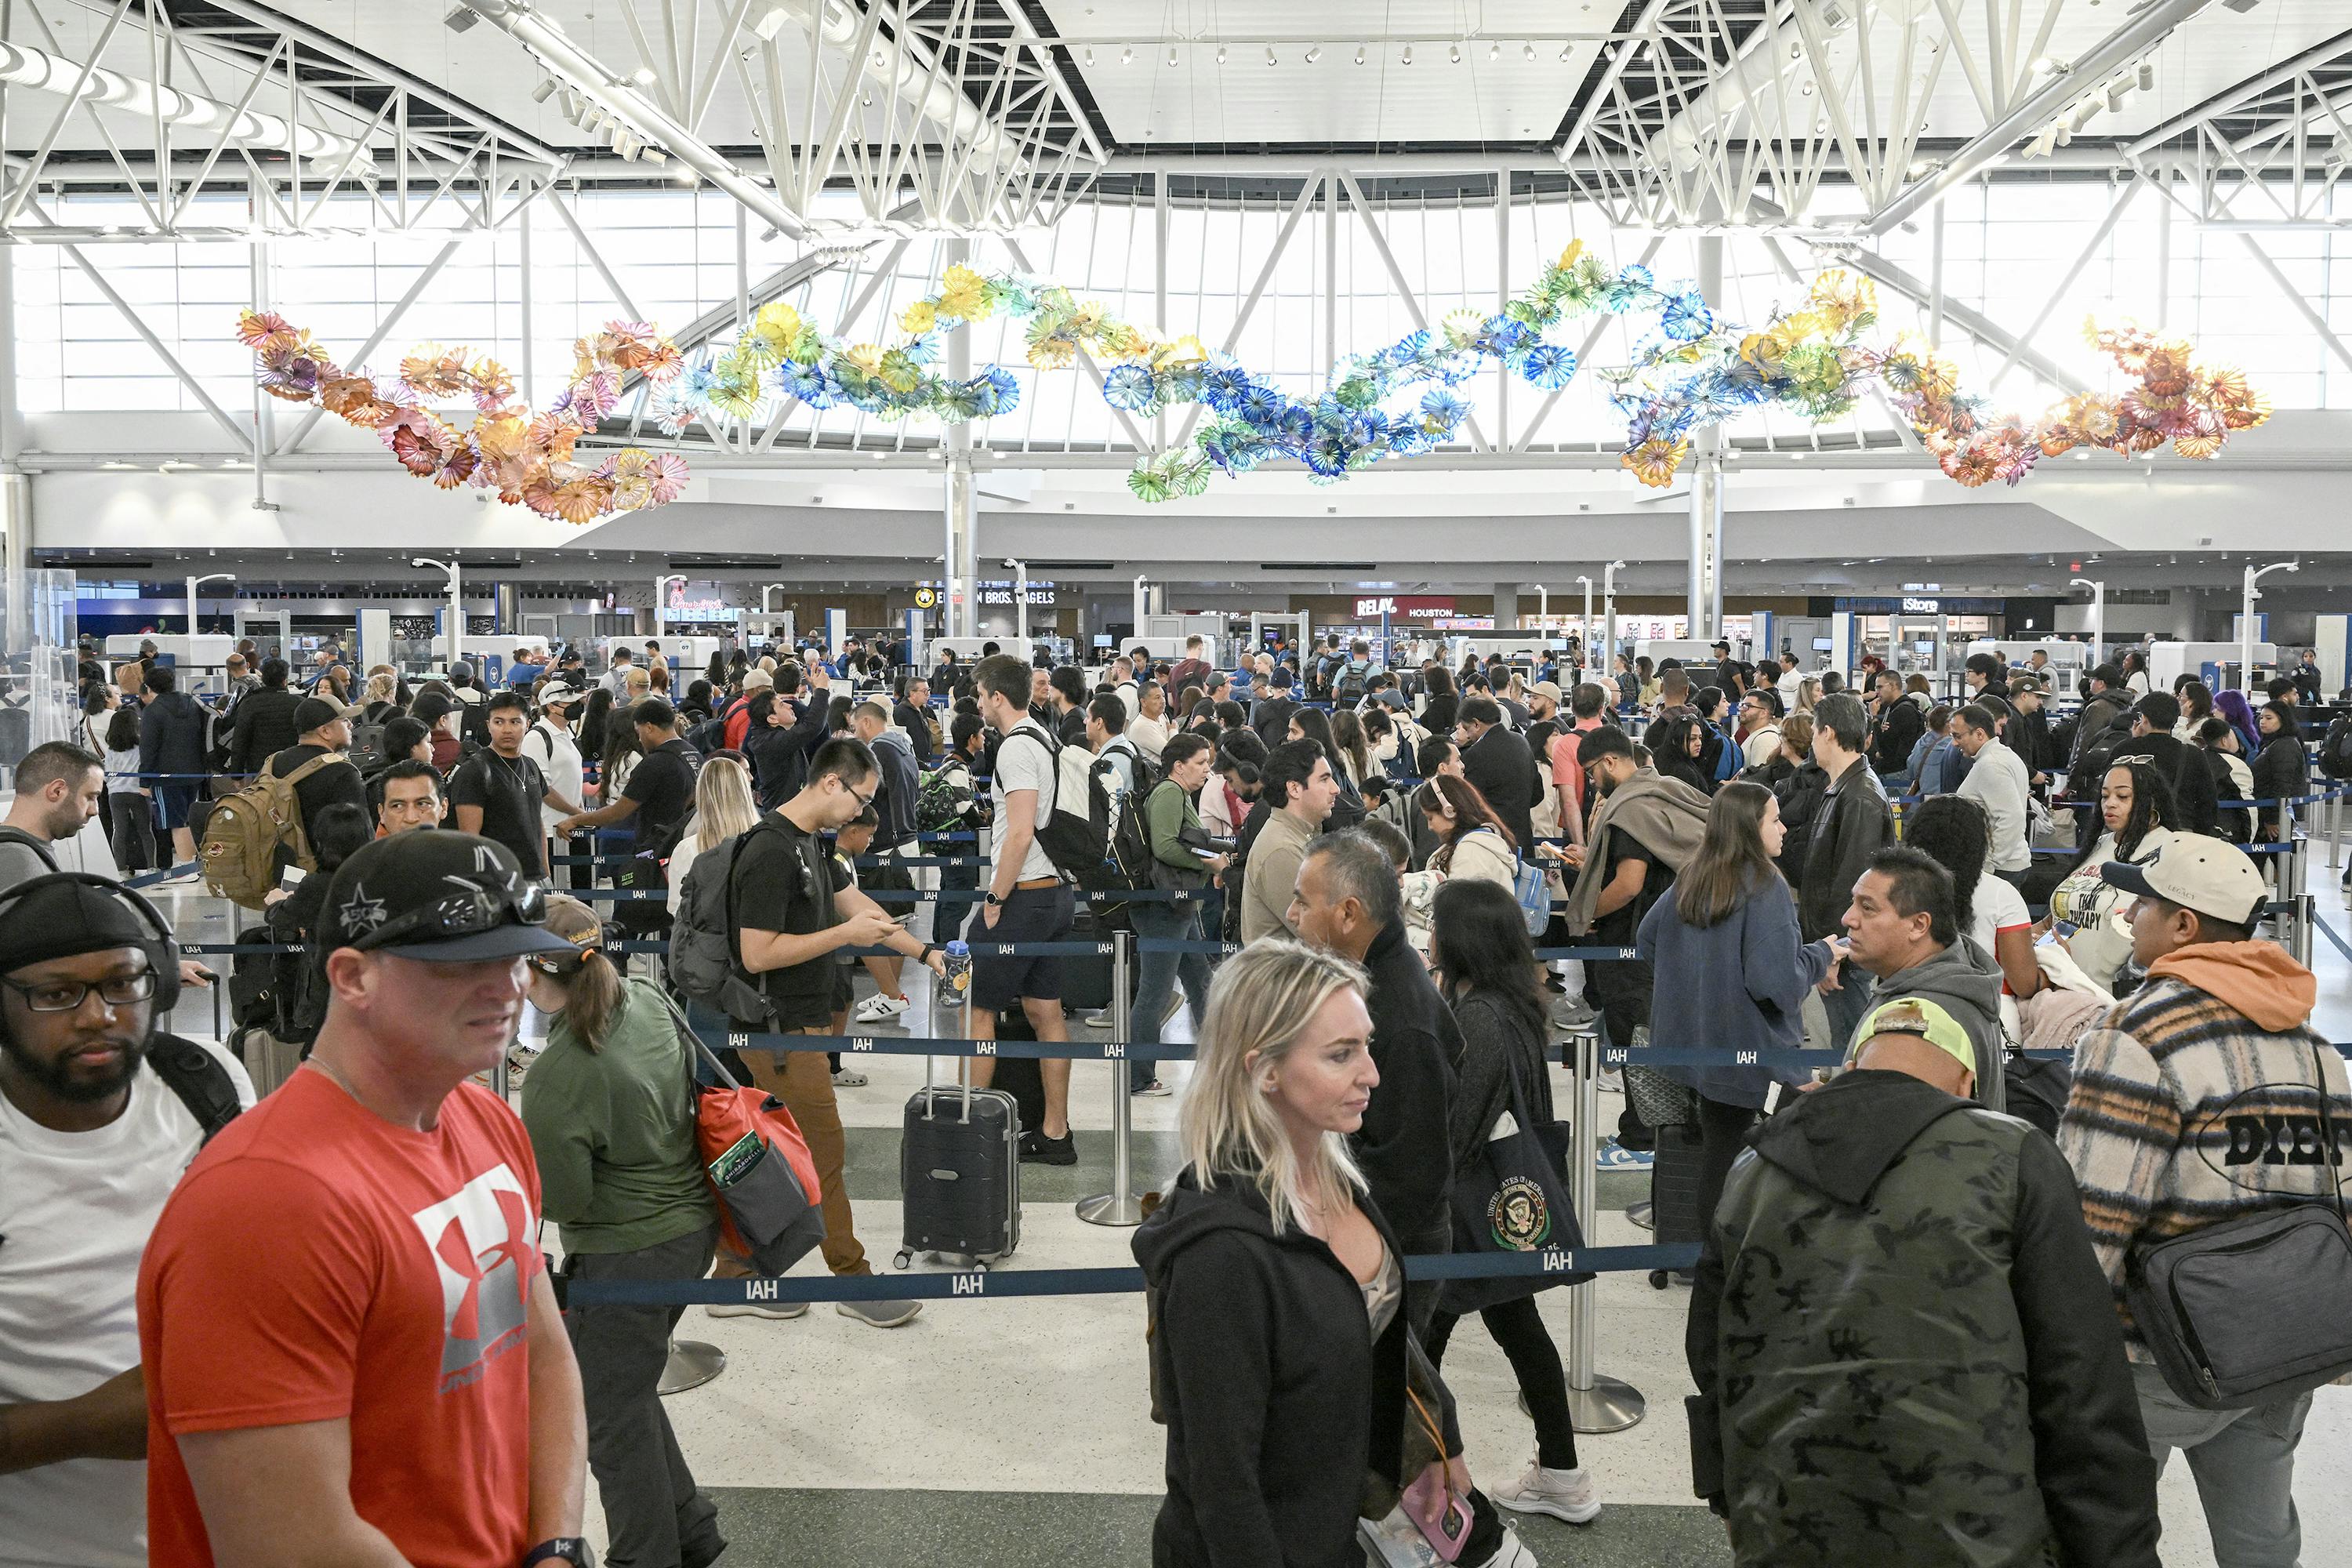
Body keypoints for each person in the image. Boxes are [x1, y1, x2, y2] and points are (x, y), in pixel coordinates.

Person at [135, 831, 593, 1568]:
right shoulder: (264, 1204)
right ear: (351, 977)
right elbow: (292, 1543)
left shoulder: (488, 1121)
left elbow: (541, 1354)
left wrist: (557, 1544)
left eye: (514, 957)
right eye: (465, 964)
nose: (507, 986)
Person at [1688, 996, 2161, 1568]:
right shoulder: (2014, 1158)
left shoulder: (1750, 1169)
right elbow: (2080, 1378)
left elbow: (1711, 1356)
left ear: (1853, 1066)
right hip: (1978, 1537)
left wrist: (1735, 1497)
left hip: (1788, 1522)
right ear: (1965, 1082)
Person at [1134, 940, 1526, 1568]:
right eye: (1341, 1055)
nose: (1371, 1073)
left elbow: (1376, 1333)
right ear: (1264, 1068)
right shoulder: (1221, 1256)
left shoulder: (1337, 1173)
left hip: (1334, 1524)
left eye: (1366, 1045)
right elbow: (1223, 1483)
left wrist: (1439, 1436)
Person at [2059, 838, 2350, 1565]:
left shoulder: (2135, 1035)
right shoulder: (2315, 1047)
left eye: (2145, 903)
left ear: (2184, 926)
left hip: (2153, 1356)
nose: (2129, 913)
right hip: (2283, 1344)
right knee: (2262, 1541)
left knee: (2106, 1537)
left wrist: (2050, 1355)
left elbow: (2090, 1222)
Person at [0, 873, 256, 1566]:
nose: (99, 1015)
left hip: (212, 1536)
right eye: (56, 994)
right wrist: (90, 1425)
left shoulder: (205, 1084)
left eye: (124, 983)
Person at [517, 897, 725, 1568]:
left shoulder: (558, 1075)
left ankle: (645, 1556)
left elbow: (569, 1200)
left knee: (605, 1416)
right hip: (693, 1230)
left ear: (528, 973)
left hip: (624, 1255)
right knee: (624, 1390)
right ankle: (691, 1529)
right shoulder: (642, 995)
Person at [715, 738, 937, 1324]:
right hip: (778, 1030)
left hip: (794, 1028)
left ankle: (736, 1275)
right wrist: (844, 938)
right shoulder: (768, 851)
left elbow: (857, 906)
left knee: (763, 1154)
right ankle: (854, 1279)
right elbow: (757, 953)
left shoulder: (813, 847)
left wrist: (928, 952)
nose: (863, 814)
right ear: (832, 783)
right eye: (861, 798)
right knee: (825, 1153)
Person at [1424, 878, 1602, 1526]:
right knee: (1517, 1330)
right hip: (1500, 1206)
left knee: (1420, 1343)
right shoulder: (1513, 1005)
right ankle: (1561, 1473)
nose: (1431, 935)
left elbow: (1460, 1129)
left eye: (1438, 925)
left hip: (1465, 1211)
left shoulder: (1479, 1017)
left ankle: (1414, 1476)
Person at [1638, 781, 1835, 1232]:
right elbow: (1777, 984)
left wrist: (1697, 984)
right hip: (1754, 1054)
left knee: (1719, 1155)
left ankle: (1710, 1262)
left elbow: (1650, 939)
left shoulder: (1693, 874)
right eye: (1775, 819)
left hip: (1703, 1049)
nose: (1785, 828)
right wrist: (1821, 953)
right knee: (1764, 1163)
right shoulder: (1767, 887)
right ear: (1750, 828)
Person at [1286, 830, 1459, 1334]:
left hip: (1393, 1250)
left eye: (1303, 901)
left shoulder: (1398, 1017)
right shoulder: (1369, 983)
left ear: (1347, 914)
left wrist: (1336, 1247)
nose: (1293, 915)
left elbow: (1413, 1173)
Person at [964, 653, 1080, 1163]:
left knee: (980, 1008)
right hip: (1057, 894)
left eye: (979, 694)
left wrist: (994, 898)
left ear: (997, 697)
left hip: (1024, 895)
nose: (976, 704)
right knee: (1044, 1011)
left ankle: (970, 1132)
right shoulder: (1045, 736)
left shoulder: (1014, 747)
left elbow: (1020, 829)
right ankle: (1056, 1133)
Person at [1560, 726, 1709, 1116]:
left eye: (1592, 772)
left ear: (1609, 762)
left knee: (1636, 1041)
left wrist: (1588, 911)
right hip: (1675, 939)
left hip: (1633, 946)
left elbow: (1628, 885)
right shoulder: (1665, 790)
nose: (1592, 784)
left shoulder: (1630, 809)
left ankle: (1642, 1131)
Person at [1838, 846, 2007, 1112]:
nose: (1848, 918)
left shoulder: (1918, 1018)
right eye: (1853, 902)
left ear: (1919, 925)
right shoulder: (1950, 981)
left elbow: (1889, 1136)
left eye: (1867, 908)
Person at [1129, 734, 1226, 1098]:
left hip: (1178, 907)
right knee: (1154, 992)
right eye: (1201, 763)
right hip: (1163, 908)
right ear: (1179, 766)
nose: (1207, 769)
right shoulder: (1169, 792)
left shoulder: (1178, 793)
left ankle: (1216, 1061)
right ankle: (1139, 1077)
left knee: (1200, 980)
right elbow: (1165, 845)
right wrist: (1209, 861)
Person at [1798, 694, 1893, 1045]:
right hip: (1835, 949)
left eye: (1813, 732)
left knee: (1849, 1053)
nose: (1811, 741)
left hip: (1844, 958)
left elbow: (1854, 886)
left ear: (1829, 734)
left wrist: (1832, 952)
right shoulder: (1842, 788)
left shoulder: (1860, 796)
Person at [2046, 759, 2180, 994]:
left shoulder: (2169, 850)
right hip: (2065, 990)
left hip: (2118, 999)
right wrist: (2034, 941)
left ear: (2149, 801)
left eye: (2122, 797)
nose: (2110, 804)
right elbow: (2063, 918)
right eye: (2105, 796)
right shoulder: (2099, 845)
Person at [1904, 795, 2041, 1020]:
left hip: (1909, 1010)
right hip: (1988, 1016)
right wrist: (2049, 972)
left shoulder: (1895, 891)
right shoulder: (2001, 894)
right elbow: (2024, 984)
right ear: (1978, 844)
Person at [263, 803, 374, 1052]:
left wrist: (277, 901)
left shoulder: (318, 885)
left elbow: (282, 916)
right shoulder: (379, 876)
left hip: (331, 985)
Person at [448, 691, 582, 880]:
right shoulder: (474, 771)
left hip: (535, 878)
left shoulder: (531, 766)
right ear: (488, 726)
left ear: (527, 724)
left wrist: (545, 874)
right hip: (497, 882)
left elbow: (537, 824)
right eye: (498, 722)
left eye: (515, 722)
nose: (507, 729)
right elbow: (470, 840)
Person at [555, 697, 702, 862]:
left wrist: (575, 819)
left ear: (649, 727)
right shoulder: (694, 754)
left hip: (657, 851)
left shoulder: (654, 763)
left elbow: (618, 812)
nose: (639, 739)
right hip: (686, 846)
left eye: (639, 732)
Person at [1240, 740, 1337, 943]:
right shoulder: (1281, 850)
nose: (1335, 789)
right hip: (1288, 973)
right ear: (1294, 788)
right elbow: (1322, 936)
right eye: (1324, 780)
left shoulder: (1298, 837)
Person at [260, 697, 371, 874]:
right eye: (344, 720)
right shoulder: (342, 771)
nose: (350, 725)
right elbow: (358, 836)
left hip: (279, 868)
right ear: (325, 731)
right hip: (324, 874)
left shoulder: (274, 762)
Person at [1, 742, 107, 892]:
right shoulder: (17, 861)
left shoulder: (25, 853)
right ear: (57, 791)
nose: (94, 810)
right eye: (90, 797)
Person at [134, 667, 210, 873]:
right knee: (189, 817)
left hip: (165, 775)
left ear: (148, 687)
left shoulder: (153, 710)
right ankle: (193, 862)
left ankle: (186, 867)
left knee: (176, 821)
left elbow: (148, 748)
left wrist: (144, 780)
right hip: (195, 772)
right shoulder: (192, 703)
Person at [1951, 701, 2032, 884]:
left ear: (1979, 734)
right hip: (2007, 865)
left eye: (1957, 736)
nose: (1954, 743)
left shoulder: (1991, 765)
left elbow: (2012, 818)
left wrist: (1987, 865)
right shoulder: (2002, 757)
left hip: (2001, 869)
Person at [2121, 692, 2218, 840]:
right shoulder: (2193, 754)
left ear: (2144, 719)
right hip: (2181, 833)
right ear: (2175, 719)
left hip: (2135, 830)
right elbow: (2208, 801)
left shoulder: (2126, 751)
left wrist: (2134, 741)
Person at [523, 684, 588, 876]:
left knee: (582, 890)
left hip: (573, 824)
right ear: (551, 706)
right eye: (569, 702)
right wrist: (577, 813)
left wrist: (580, 813)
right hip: (552, 831)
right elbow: (543, 788)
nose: (576, 705)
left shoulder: (568, 734)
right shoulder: (537, 738)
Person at [1454, 696, 1536, 848]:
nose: (1468, 734)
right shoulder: (1522, 742)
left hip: (1494, 844)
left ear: (1476, 724)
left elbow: (1469, 806)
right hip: (1524, 839)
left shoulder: (1476, 754)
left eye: (1467, 728)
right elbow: (1538, 794)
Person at [226, 659, 301, 777]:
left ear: (262, 678)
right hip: (294, 767)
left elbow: (240, 740)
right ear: (285, 681)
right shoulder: (300, 704)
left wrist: (237, 774)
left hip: (259, 769)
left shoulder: (249, 704)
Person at [2249, 700, 2307, 845]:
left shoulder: (2285, 746)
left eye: (2269, 718)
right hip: (2268, 811)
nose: (2262, 722)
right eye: (2261, 717)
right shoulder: (2272, 743)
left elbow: (2282, 785)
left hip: (2278, 816)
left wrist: (2273, 819)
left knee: (2277, 858)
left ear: (2283, 719)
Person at [373, 758, 444, 837]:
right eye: (397, 806)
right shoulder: (369, 850)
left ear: (444, 808)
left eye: (422, 804)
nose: (411, 818)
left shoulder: (458, 848)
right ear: (382, 813)